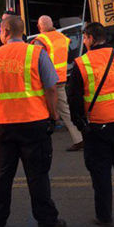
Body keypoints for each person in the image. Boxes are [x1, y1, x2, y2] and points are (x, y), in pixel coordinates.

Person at [0, 15, 66, 227]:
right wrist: (53, 114)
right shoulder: (36, 53)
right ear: (22, 32)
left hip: (1, 125)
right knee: (38, 175)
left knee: (2, 177)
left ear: (4, 31)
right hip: (33, 124)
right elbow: (51, 88)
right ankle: (47, 223)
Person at [69, 22, 114, 227]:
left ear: (91, 38)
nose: (83, 41)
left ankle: (104, 216)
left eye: (84, 38)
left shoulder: (82, 63)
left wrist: (79, 123)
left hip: (97, 126)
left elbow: (73, 98)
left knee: (100, 172)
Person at [32, 15, 82, 152]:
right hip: (61, 77)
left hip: (47, 81)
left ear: (39, 27)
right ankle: (80, 137)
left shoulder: (41, 41)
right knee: (63, 109)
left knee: (56, 110)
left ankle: (80, 138)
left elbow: (36, 61)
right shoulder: (62, 37)